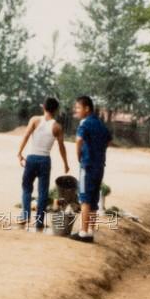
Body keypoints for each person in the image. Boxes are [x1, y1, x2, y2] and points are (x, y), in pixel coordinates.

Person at [16, 97, 69, 231]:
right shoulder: (57, 126)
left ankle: (25, 215)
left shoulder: (35, 120)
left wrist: (19, 152)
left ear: (43, 107)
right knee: (43, 192)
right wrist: (66, 164)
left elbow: (26, 136)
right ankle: (39, 221)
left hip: (32, 158)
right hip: (45, 160)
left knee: (27, 188)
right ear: (56, 110)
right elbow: (62, 147)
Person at [72, 95, 112, 243]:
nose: (76, 110)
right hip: (99, 165)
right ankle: (90, 231)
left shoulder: (85, 123)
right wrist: (99, 151)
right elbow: (109, 139)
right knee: (94, 199)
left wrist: (79, 156)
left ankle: (83, 232)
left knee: (85, 199)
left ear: (86, 108)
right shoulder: (100, 124)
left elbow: (78, 140)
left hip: (87, 165)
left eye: (78, 107)